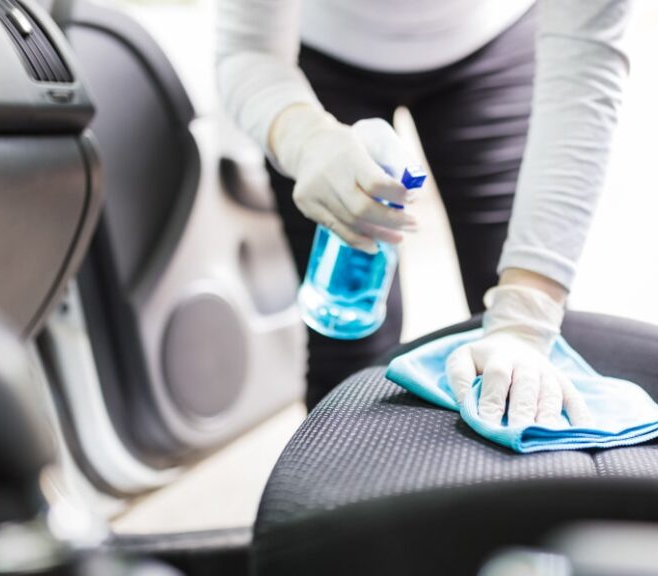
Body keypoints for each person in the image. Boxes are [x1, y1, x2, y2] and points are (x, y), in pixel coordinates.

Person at [216, 0, 631, 425]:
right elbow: (248, 47)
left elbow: (586, 64)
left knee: (522, 344)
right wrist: (303, 139)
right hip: (318, 59)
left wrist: (527, 316)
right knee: (347, 340)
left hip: (490, 40)